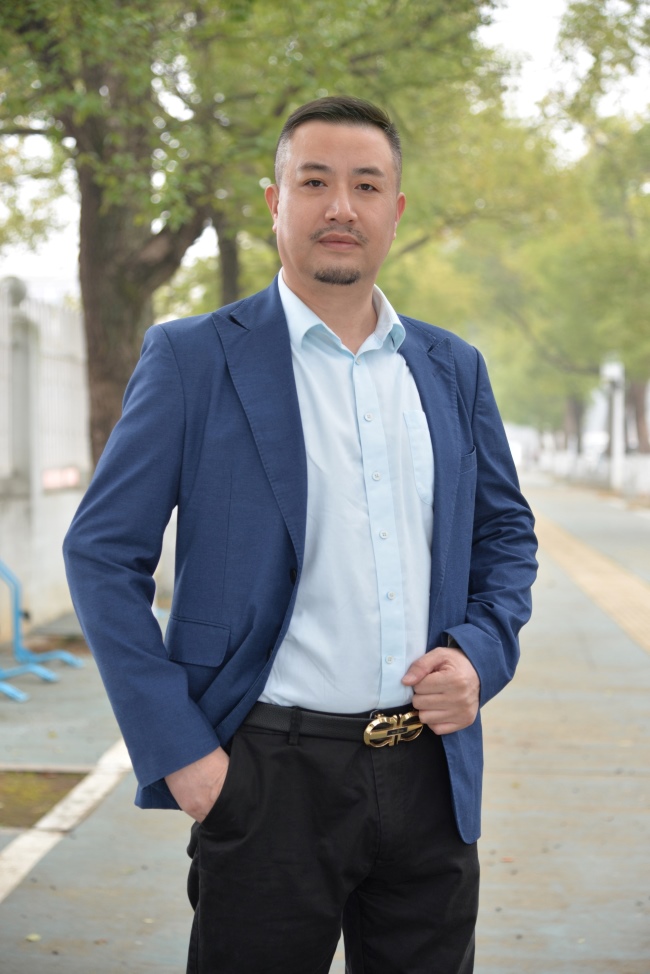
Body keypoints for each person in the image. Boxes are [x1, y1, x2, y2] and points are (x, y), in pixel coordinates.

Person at [63, 95, 538, 974]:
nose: (341, 207)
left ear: (396, 209)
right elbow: (100, 553)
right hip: (264, 777)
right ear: (275, 201)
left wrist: (480, 656)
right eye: (314, 182)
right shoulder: (194, 359)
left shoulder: (452, 369)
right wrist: (182, 753)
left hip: (430, 774)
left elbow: (505, 536)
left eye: (367, 185)